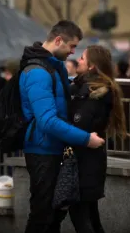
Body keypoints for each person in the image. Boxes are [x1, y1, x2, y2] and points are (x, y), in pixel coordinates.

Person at [19, 20, 105, 233]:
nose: (74, 52)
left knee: (53, 216)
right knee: (42, 215)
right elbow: (47, 120)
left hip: (52, 149)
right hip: (42, 151)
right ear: (58, 40)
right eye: (72, 46)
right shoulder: (38, 73)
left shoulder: (54, 68)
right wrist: (86, 138)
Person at [69, 45, 128, 233]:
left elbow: (80, 124)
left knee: (80, 214)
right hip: (90, 159)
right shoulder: (86, 87)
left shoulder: (93, 93)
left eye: (82, 58)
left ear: (92, 66)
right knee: (91, 215)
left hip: (85, 161)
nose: (78, 60)